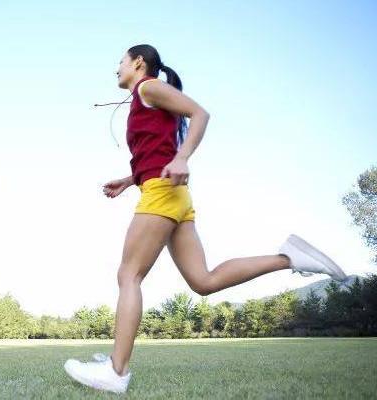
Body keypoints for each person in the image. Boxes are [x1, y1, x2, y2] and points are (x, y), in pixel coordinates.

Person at [63, 44, 348, 394]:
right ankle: (289, 257)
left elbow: (200, 114)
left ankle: (116, 371)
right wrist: (128, 179)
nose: (116, 69)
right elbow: (157, 148)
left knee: (129, 274)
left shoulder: (147, 87)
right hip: (171, 194)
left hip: (163, 193)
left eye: (119, 62)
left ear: (138, 62)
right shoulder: (146, 97)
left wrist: (183, 159)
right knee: (203, 281)